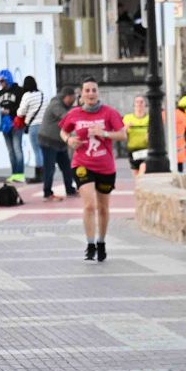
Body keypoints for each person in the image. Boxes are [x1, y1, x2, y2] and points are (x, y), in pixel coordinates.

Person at [59, 78, 126, 261]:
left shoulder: (109, 113)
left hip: (105, 166)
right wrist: (69, 140)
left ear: (98, 93)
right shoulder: (74, 114)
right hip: (82, 163)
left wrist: (103, 133)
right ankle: (90, 244)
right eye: (87, 90)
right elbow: (63, 131)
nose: (90, 94)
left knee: (103, 208)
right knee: (90, 205)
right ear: (81, 94)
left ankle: (101, 242)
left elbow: (122, 134)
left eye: (93, 90)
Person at [38, 86, 78, 200]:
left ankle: (70, 189)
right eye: (72, 99)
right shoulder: (56, 105)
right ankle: (47, 192)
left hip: (59, 143)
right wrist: (79, 112)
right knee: (49, 168)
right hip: (48, 141)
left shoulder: (64, 105)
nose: (73, 102)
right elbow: (66, 117)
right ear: (67, 97)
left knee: (66, 167)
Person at [17, 76, 48, 184]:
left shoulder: (27, 96)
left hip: (34, 126)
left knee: (37, 151)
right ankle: (46, 173)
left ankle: (39, 174)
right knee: (43, 150)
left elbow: (20, 112)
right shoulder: (42, 94)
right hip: (45, 126)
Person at [0, 69, 25, 183]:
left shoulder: (18, 91)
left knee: (17, 149)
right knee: (10, 150)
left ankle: (20, 173)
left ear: (8, 80)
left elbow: (22, 107)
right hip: (5, 125)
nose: (1, 83)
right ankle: (14, 173)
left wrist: (9, 111)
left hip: (16, 123)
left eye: (2, 81)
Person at [122, 95, 150, 177]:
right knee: (136, 176)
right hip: (133, 150)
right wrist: (126, 128)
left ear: (145, 104)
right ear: (134, 105)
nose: (139, 104)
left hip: (146, 149)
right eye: (137, 102)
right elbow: (120, 132)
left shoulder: (149, 118)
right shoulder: (128, 118)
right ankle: (140, 189)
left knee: (143, 169)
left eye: (141, 102)